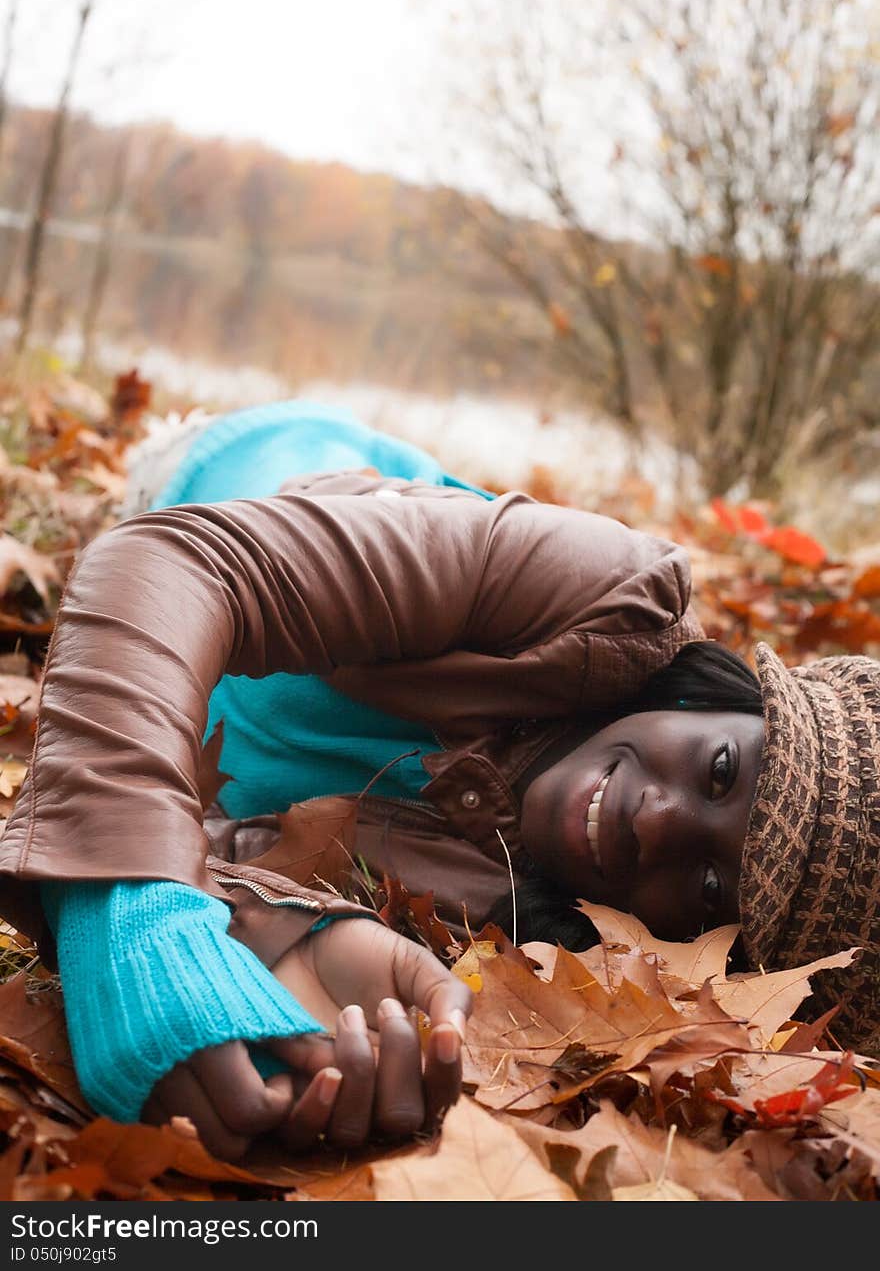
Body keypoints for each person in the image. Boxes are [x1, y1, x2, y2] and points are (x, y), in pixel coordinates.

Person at [0, 399, 876, 1163]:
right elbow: (176, 561)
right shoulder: (604, 593)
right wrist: (132, 913)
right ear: (730, 699)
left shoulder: (529, 935)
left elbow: (222, 842)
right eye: (723, 771)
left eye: (714, 884)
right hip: (219, 477)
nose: (660, 822)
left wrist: (285, 940)